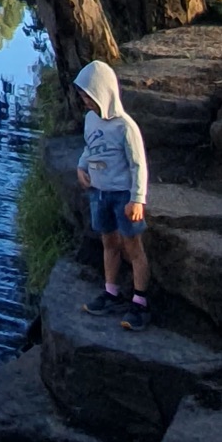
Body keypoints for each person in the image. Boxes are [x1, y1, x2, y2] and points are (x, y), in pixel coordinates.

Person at [73, 58, 152, 327]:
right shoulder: (90, 121)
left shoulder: (124, 126)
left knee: (133, 246)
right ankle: (111, 291)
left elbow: (138, 163)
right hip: (99, 192)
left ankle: (140, 302)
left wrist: (137, 198)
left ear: (103, 92)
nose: (85, 101)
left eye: (89, 95)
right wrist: (81, 167)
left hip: (122, 195)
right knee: (109, 242)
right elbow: (90, 147)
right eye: (83, 96)